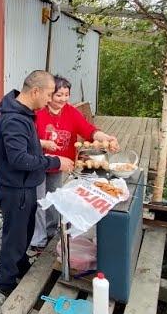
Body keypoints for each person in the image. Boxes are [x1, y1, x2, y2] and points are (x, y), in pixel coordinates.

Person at [0, 70, 73, 296]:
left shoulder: (22, 114)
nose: (50, 100)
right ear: (35, 91)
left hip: (25, 187)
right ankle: (6, 283)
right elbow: (18, 159)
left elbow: (22, 146)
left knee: (25, 232)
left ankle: (20, 265)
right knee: (15, 237)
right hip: (16, 189)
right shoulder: (14, 120)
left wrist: (40, 144)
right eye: (49, 94)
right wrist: (55, 160)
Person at [29, 75, 119, 253]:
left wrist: (106, 138)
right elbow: (28, 139)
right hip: (38, 163)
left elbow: (89, 131)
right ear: (49, 95)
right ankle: (38, 240)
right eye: (58, 95)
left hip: (59, 166)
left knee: (55, 199)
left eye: (66, 95)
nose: (63, 99)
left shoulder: (71, 112)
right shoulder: (37, 113)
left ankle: (51, 231)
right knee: (39, 201)